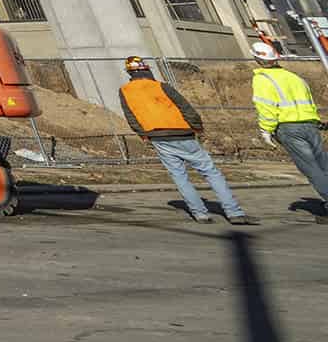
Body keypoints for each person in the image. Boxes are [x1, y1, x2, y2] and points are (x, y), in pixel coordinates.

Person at [120, 56, 253, 224]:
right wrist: (197, 127)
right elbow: (185, 107)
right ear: (147, 69)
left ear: (129, 73)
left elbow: (130, 116)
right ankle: (234, 213)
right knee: (211, 172)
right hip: (182, 132)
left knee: (179, 177)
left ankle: (200, 214)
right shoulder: (162, 86)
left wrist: (143, 134)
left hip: (157, 136)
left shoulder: (125, 91)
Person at [251, 39, 328, 213]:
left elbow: (266, 107)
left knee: (310, 168)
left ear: (256, 59)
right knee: (323, 163)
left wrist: (266, 130)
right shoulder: (295, 77)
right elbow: (309, 102)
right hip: (310, 124)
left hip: (288, 127)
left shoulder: (262, 79)